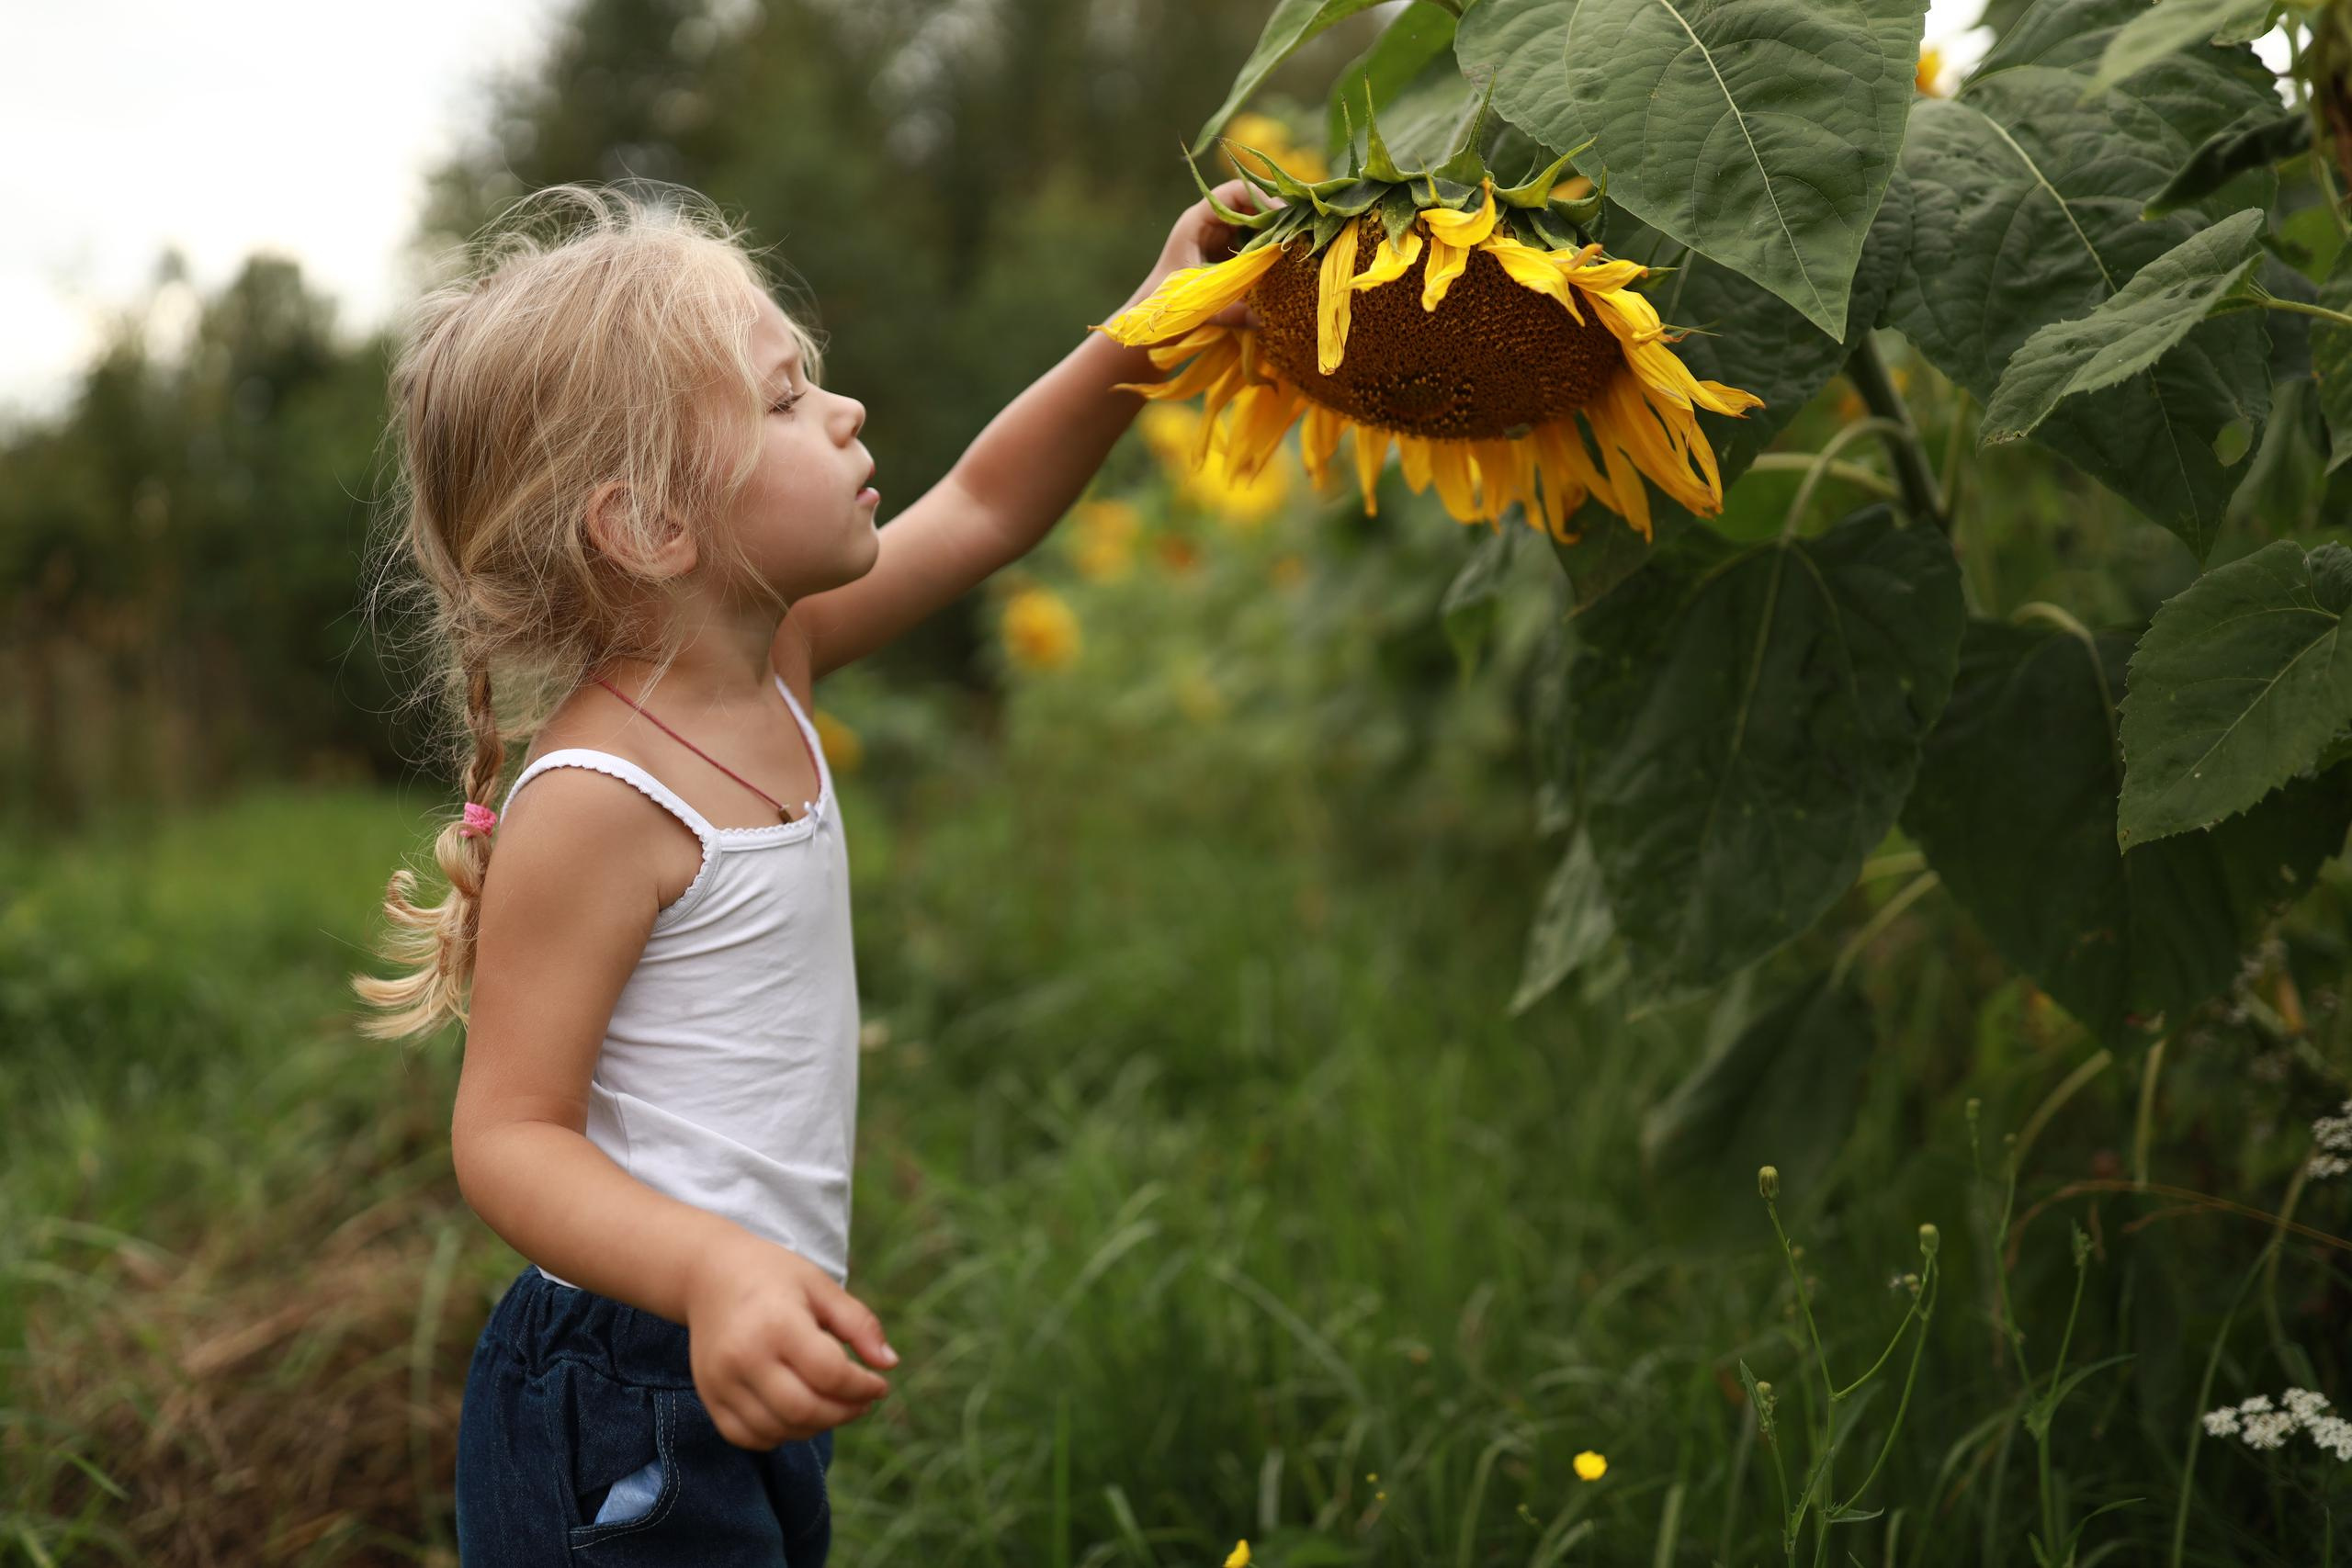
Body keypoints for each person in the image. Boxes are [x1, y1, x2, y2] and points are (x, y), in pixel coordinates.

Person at [349, 176, 1264, 1565]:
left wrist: (1150, 330)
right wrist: (714, 1272)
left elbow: (984, 505)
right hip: (620, 1393)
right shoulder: (601, 800)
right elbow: (507, 1137)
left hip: (740, 1344)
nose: (840, 415)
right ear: (649, 527)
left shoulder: (774, 663)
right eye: (785, 402)